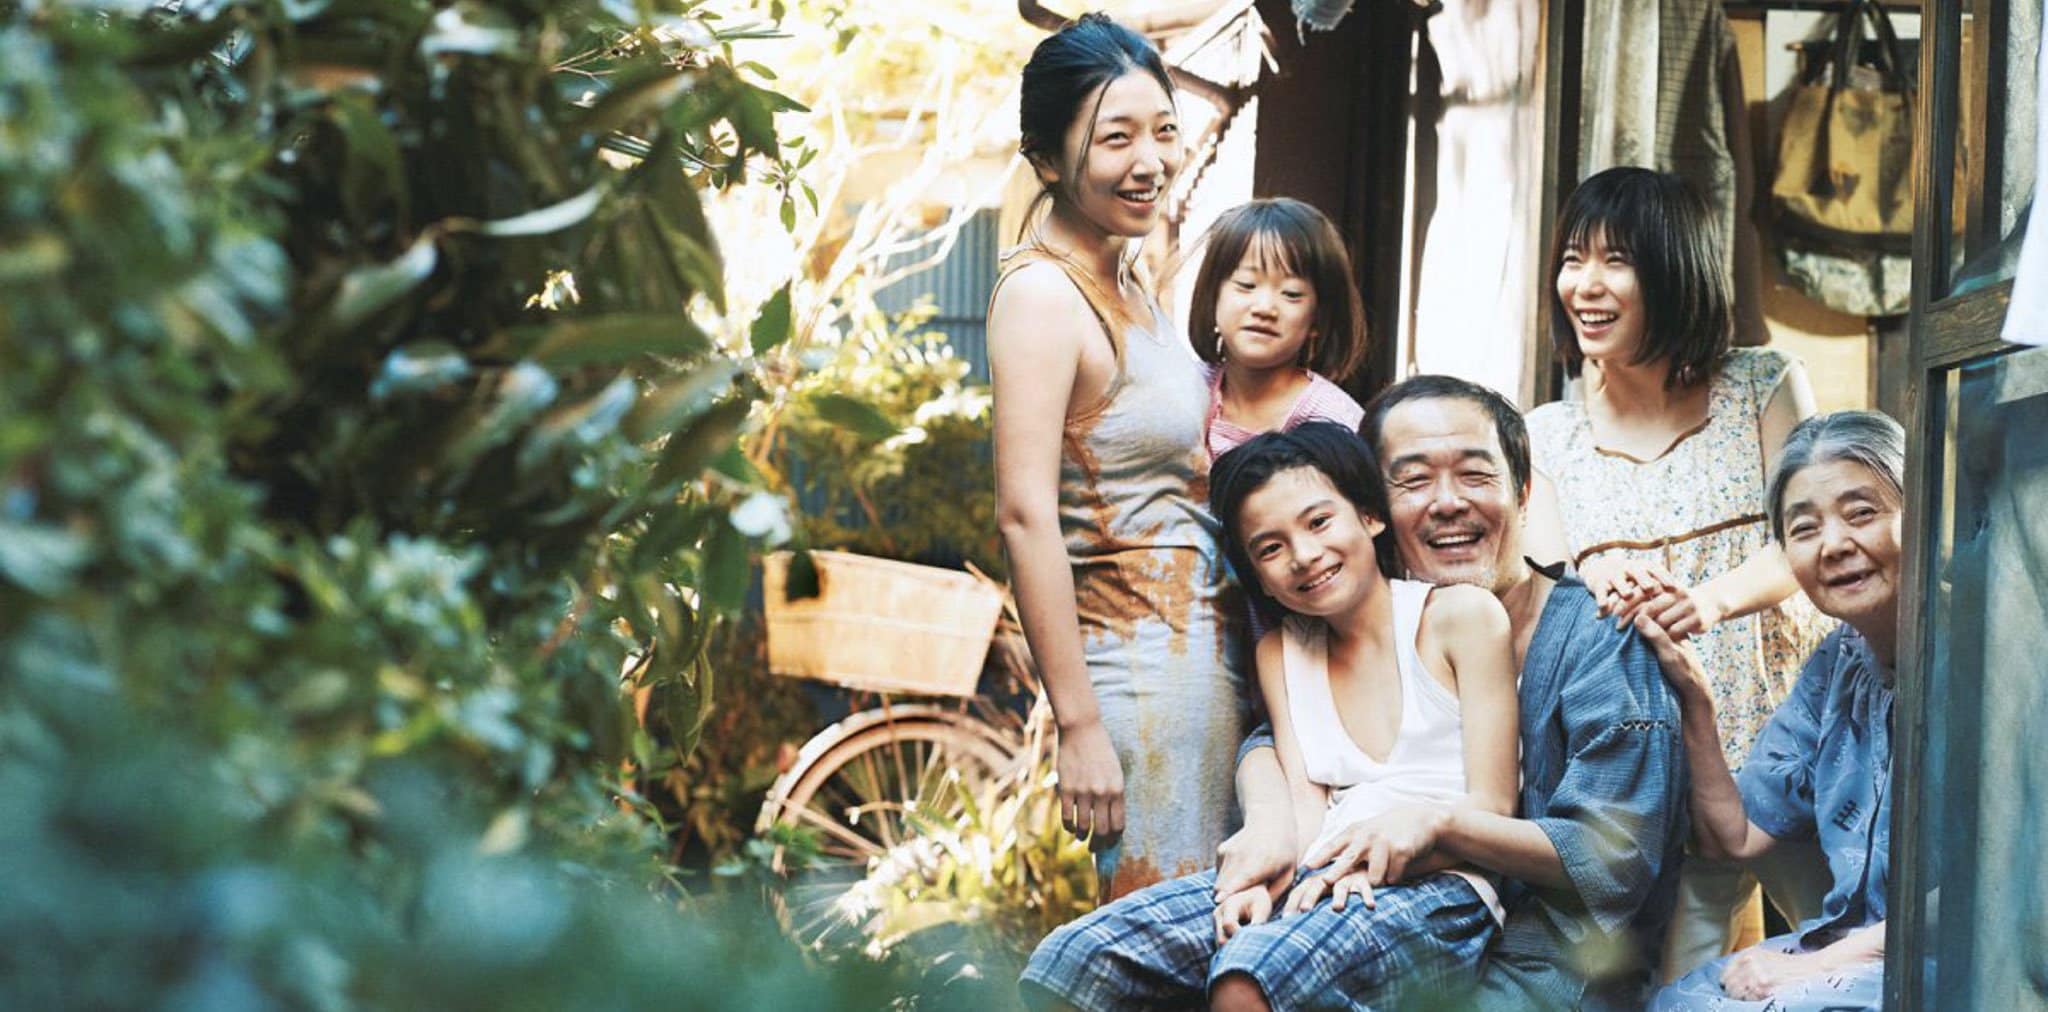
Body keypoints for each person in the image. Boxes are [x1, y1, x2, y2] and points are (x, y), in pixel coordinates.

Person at [1213, 375, 1688, 1010]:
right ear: (1373, 510)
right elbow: (1281, 738)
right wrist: (1271, 816)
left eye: (1474, 474)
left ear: (1523, 493)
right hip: (1378, 921)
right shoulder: (1366, 633)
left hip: (1546, 970)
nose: (1447, 502)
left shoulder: (1601, 638)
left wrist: (1440, 826)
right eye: (1413, 481)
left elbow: (1616, 856)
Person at [1020, 422, 1519, 1011]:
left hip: (1444, 885)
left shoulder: (1460, 617)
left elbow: (1494, 808)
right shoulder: (1281, 652)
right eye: (1271, 548)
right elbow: (1305, 813)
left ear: (1369, 516)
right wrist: (1261, 885)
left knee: (1249, 974)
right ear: (1257, 575)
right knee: (1076, 956)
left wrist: (1381, 861)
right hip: (1318, 870)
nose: (1304, 556)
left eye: (1319, 522)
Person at [1524, 166, 1831, 974]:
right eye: (1572, 259)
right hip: (1656, 761)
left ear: (1674, 269)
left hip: (1788, 736)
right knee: (1683, 979)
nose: (1585, 285)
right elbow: (1554, 590)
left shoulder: (1763, 384)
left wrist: (1708, 600)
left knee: (1849, 942)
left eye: (1615, 260)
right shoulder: (1546, 436)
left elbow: (1808, 537)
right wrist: (1604, 584)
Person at [988, 12, 1246, 900]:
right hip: (1141, 673)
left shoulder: (1128, 277)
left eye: (1164, 131)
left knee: (1221, 933)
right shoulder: (1043, 296)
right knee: (1165, 933)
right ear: (1047, 161)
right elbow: (1025, 516)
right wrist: (1079, 724)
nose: (1151, 160)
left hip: (1203, 657)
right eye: (1115, 138)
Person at [1643, 411, 1905, 1010]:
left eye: (1861, 513)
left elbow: (1992, 890)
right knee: (1675, 1002)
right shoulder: (1838, 662)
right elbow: (1735, 836)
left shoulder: (1981, 657)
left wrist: (1814, 966)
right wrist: (1696, 701)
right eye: (1805, 528)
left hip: (1948, 959)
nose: (1834, 545)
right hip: (1850, 946)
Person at [1189, 198, 1370, 462]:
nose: (1264, 308)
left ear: (1318, 318)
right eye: (1246, 285)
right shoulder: (1186, 388)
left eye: (1291, 294)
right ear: (1212, 296)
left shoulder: (1334, 420)